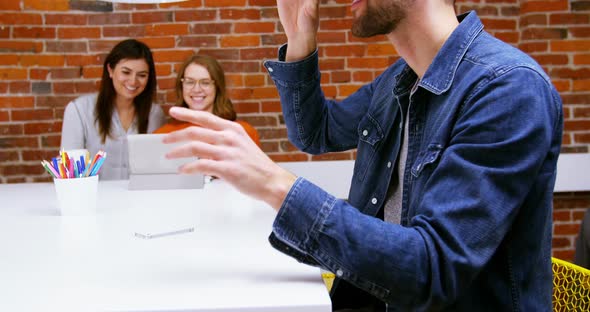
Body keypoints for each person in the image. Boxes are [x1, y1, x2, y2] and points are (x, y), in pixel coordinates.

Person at [162, 0, 563, 310]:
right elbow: (316, 132)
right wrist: (300, 39)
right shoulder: (398, 80)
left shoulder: (508, 89)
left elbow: (432, 267)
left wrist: (275, 185)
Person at [60, 39, 166, 180]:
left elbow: (157, 167)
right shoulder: (79, 110)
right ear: (110, 70)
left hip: (139, 199)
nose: (133, 81)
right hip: (93, 198)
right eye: (126, 72)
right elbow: (70, 171)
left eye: (142, 75)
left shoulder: (155, 114)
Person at [153, 54, 260, 147]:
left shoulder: (244, 133)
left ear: (217, 86)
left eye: (205, 82)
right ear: (182, 86)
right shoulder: (162, 136)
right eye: (190, 82)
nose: (197, 89)